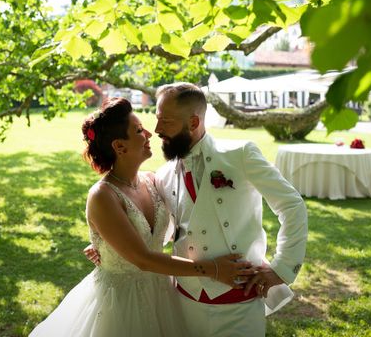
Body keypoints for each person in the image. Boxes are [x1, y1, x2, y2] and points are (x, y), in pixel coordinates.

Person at [30, 98, 253, 337]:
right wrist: (215, 269)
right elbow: (143, 259)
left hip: (162, 293)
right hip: (121, 304)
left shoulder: (152, 181)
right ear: (119, 147)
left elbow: (170, 230)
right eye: (138, 130)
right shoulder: (102, 196)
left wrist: (109, 245)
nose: (149, 133)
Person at [153, 83, 308, 336]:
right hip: (183, 300)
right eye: (157, 119)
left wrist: (282, 268)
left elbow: (292, 205)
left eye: (166, 121)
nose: (157, 130)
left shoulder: (240, 154)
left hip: (240, 305)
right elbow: (163, 228)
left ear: (193, 123)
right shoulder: (164, 174)